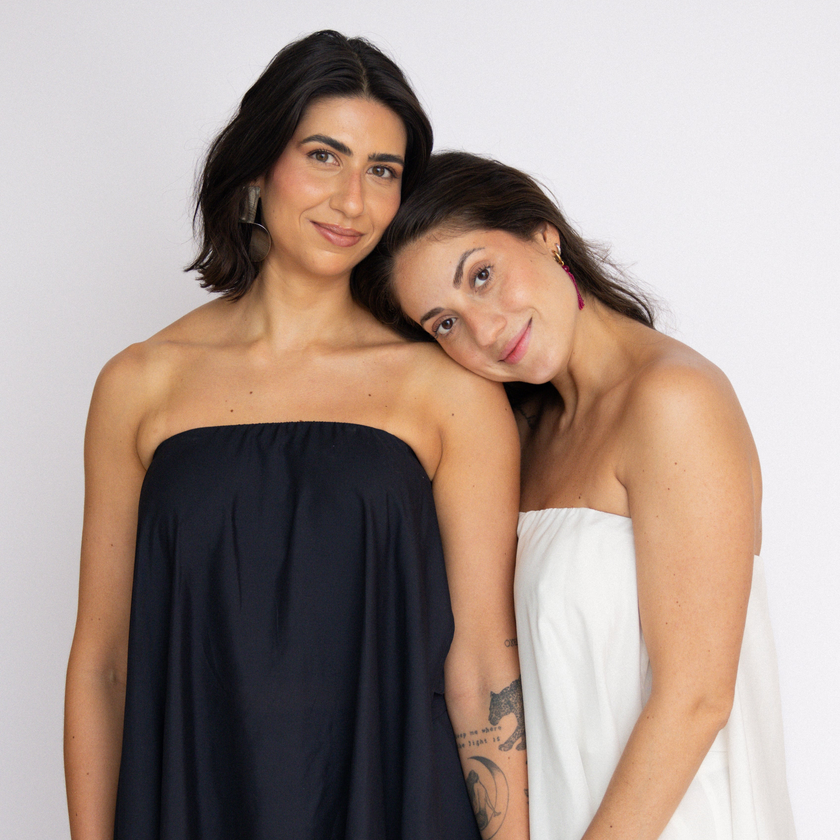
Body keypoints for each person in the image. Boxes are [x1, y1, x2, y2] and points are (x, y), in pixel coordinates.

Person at [64, 37, 529, 840]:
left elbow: (483, 661)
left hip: (395, 808)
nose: (352, 200)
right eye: (324, 156)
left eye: (382, 170)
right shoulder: (139, 384)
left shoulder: (449, 390)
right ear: (257, 166)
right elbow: (104, 664)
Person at [353, 151, 797, 839]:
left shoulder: (672, 400)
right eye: (444, 323)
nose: (484, 330)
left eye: (482, 275)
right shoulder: (525, 437)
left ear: (544, 235)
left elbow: (696, 699)